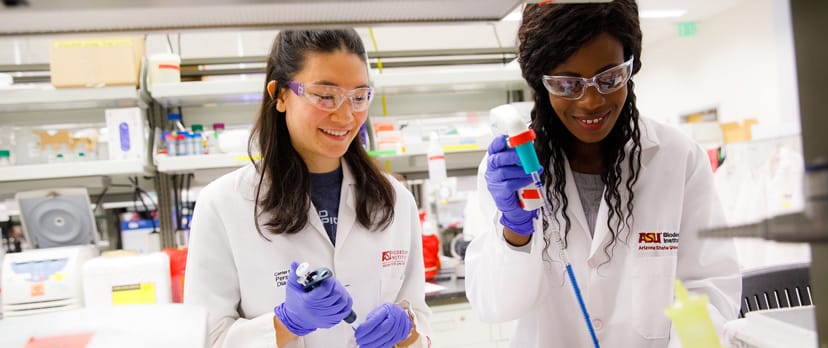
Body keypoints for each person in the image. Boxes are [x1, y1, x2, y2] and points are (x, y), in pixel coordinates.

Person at [464, 2, 741, 347]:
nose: (591, 101)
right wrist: (514, 232)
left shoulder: (678, 158)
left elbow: (710, 288)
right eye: (568, 84)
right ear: (542, 83)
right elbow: (495, 306)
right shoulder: (514, 172)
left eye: (609, 78)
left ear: (630, 67)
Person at [184, 29, 431, 348]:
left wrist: (407, 333)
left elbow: (420, 323)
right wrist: (286, 323)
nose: (345, 115)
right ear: (281, 95)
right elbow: (205, 340)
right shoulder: (223, 204)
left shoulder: (395, 200)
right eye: (325, 96)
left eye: (358, 97)